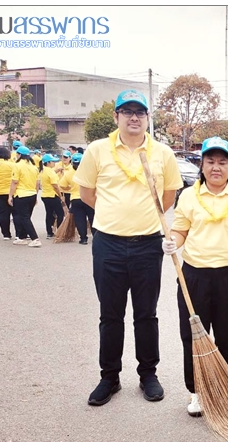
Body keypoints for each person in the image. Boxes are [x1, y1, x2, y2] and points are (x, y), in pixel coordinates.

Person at [74, 89, 181, 406]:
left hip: (148, 244)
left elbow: (169, 196)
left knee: (146, 314)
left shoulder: (162, 153)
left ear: (147, 117)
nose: (134, 117)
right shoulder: (97, 150)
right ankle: (109, 377)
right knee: (110, 315)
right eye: (127, 111)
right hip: (108, 244)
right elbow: (86, 193)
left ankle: (148, 374)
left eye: (140, 112)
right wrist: (113, 215)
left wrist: (141, 218)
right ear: (116, 116)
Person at [162, 136, 228, 416]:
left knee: (226, 336)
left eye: (222, 162)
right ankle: (196, 391)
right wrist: (172, 242)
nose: (216, 167)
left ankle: (221, 388)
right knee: (192, 335)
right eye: (210, 161)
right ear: (202, 165)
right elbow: (180, 231)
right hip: (194, 277)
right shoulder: (188, 196)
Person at [9, 146, 42, 247]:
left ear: (19, 155)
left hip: (21, 195)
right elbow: (37, 184)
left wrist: (10, 195)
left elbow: (14, 182)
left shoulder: (17, 166)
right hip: (32, 194)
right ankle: (22, 237)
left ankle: (35, 238)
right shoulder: (34, 167)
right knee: (26, 217)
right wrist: (36, 195)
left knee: (24, 218)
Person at [60, 152, 93, 244]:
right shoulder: (90, 172)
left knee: (80, 219)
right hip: (89, 198)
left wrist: (70, 188)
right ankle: (96, 237)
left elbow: (62, 185)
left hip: (76, 199)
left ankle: (83, 239)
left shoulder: (69, 173)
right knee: (92, 218)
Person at [39, 153, 67, 239]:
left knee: (49, 213)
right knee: (60, 213)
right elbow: (55, 186)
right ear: (48, 163)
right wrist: (60, 196)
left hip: (45, 195)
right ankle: (59, 231)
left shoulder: (43, 170)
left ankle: (49, 232)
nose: (54, 163)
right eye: (52, 161)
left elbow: (50, 175)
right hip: (53, 195)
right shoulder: (50, 172)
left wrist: (57, 170)